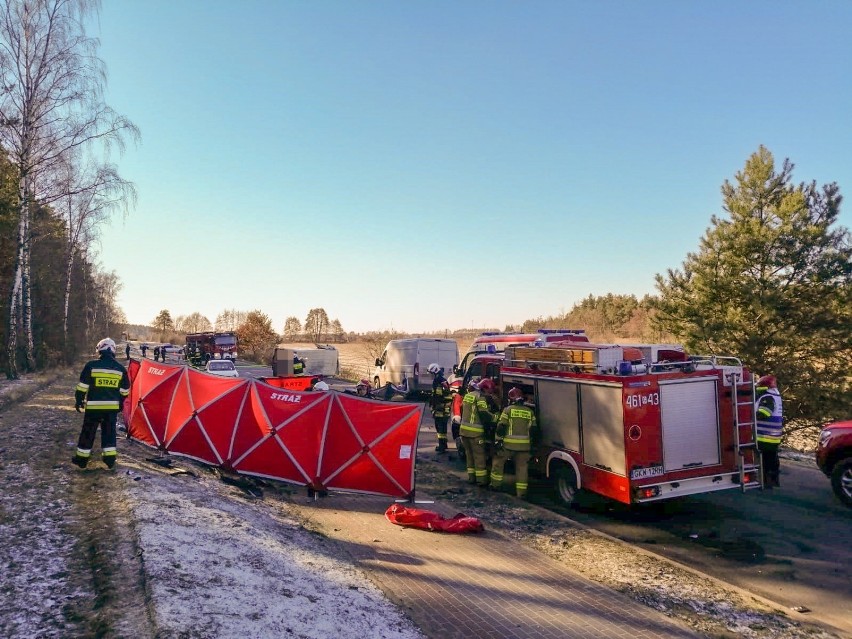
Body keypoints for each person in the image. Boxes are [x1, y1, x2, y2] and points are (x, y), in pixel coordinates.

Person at [72, 338, 131, 469]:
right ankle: (109, 460)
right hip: (111, 409)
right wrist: (120, 403)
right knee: (109, 433)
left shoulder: (91, 365)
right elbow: (125, 390)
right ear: (113, 350)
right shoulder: (120, 369)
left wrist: (79, 400)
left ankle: (81, 460)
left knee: (88, 432)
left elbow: (82, 386)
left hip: (94, 408)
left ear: (100, 349)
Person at [490, 387, 538, 498]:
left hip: (508, 445)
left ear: (511, 398)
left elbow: (501, 427)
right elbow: (534, 430)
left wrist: (498, 441)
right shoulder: (529, 412)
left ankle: (495, 485)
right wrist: (533, 445)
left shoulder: (508, 410)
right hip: (524, 447)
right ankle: (521, 493)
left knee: (498, 463)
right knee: (522, 469)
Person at [459, 378, 497, 486]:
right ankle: (481, 481)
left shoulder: (468, 395)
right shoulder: (480, 398)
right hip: (475, 434)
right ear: (486, 389)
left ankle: (471, 478)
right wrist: (496, 418)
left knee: (469, 456)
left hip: (464, 431)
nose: (490, 393)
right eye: (490, 391)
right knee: (479, 457)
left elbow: (462, 409)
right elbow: (484, 414)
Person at [755, 374, 784, 488]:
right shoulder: (775, 395)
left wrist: (751, 415)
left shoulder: (768, 397)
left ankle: (767, 482)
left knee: (766, 460)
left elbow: (765, 413)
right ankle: (773, 480)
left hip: (765, 436)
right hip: (773, 436)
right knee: (772, 459)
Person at [427, 363, 452, 453]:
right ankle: (443, 444)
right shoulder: (442, 380)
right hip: (443, 408)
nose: (430, 375)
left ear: (435, 372)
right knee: (441, 427)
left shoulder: (438, 381)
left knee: (441, 428)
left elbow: (438, 396)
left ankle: (442, 446)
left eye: (431, 373)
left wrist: (434, 405)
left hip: (441, 409)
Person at [450, 381, 464, 461]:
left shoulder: (458, 397)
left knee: (457, 435)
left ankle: (461, 449)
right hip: (459, 418)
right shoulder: (460, 397)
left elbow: (456, 407)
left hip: (457, 419)